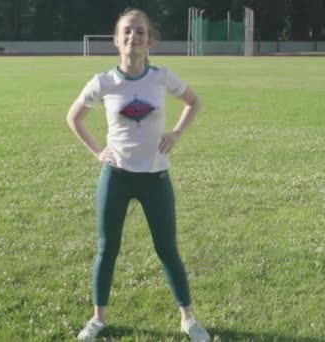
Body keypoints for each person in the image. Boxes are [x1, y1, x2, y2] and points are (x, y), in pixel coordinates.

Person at [66, 8, 210, 342]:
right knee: (107, 248)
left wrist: (175, 133)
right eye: (128, 31)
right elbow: (74, 118)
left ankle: (188, 319)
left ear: (149, 40)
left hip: (155, 178)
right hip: (115, 177)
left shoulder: (162, 77)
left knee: (167, 249)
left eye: (141, 32)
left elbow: (193, 101)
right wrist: (97, 151)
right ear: (116, 40)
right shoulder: (103, 82)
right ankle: (98, 318)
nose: (134, 37)